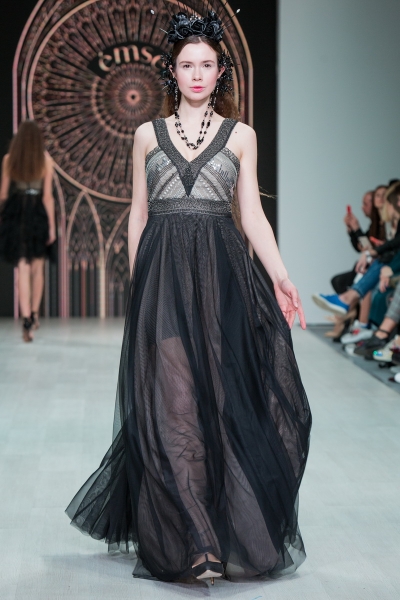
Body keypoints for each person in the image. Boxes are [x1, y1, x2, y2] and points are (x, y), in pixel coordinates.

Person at [66, 8, 311, 585]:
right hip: (164, 282)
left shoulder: (241, 136)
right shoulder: (146, 135)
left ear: (220, 71)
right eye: (186, 65)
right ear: (171, 72)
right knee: (173, 409)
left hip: (224, 281)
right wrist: (139, 284)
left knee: (222, 408)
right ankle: (198, 543)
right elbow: (138, 215)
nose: (197, 74)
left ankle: (224, 531)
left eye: (206, 65)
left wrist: (280, 275)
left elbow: (251, 214)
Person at [0, 120, 55, 341]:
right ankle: (34, 313)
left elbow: (3, 195)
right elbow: (48, 197)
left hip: (17, 213)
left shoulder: (9, 159)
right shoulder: (45, 160)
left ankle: (26, 319)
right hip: (37, 214)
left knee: (22, 267)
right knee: (37, 268)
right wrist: (52, 227)